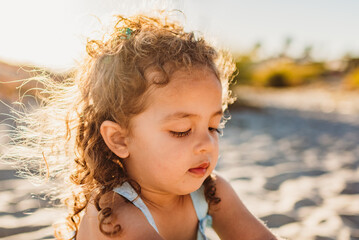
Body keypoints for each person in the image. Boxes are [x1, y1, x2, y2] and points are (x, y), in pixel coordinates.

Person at [3, 12, 281, 240]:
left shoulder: (211, 192)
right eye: (181, 130)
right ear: (120, 139)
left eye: (213, 127)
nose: (207, 144)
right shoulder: (116, 216)